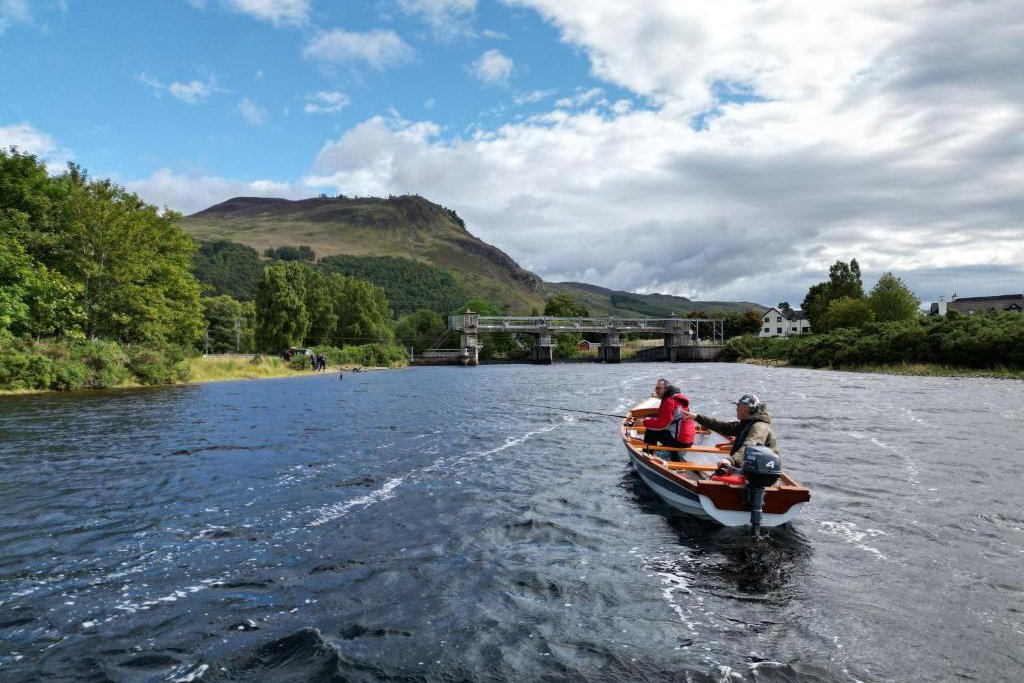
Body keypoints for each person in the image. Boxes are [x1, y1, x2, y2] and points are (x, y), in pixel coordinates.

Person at [682, 394, 780, 471]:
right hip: (750, 466)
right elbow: (723, 427)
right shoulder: (747, 423)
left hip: (761, 470)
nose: (736, 408)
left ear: (745, 409)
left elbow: (749, 446)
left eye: (738, 406)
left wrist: (731, 461)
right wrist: (697, 417)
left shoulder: (759, 427)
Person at [626, 378, 694, 459]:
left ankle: (647, 456)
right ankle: (675, 458)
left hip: (680, 441)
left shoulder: (669, 401)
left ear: (666, 389)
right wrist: (651, 418)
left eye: (659, 388)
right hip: (689, 440)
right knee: (669, 432)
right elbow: (669, 418)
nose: (656, 390)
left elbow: (661, 425)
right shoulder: (677, 399)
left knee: (651, 431)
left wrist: (643, 422)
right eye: (656, 388)